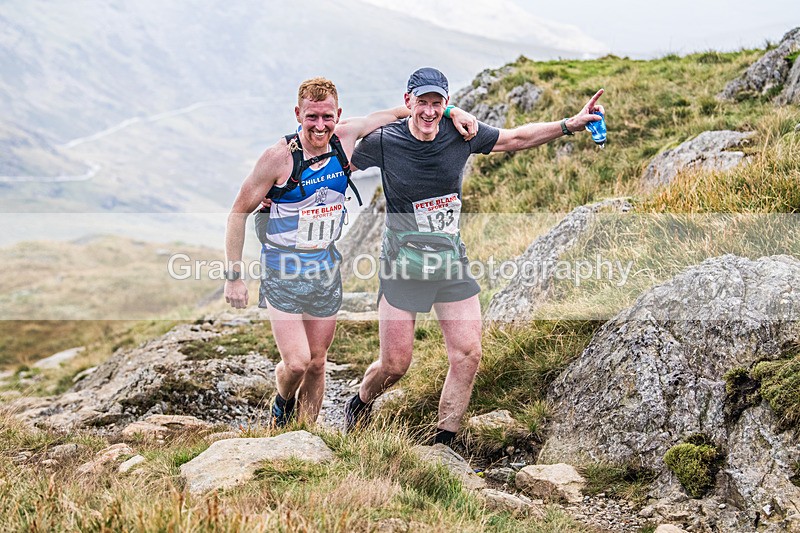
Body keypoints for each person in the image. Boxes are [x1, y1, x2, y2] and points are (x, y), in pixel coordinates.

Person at [345, 67, 605, 445]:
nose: (430, 112)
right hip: (402, 267)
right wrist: (282, 189)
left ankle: (443, 444)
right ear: (408, 103)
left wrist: (570, 124)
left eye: (438, 104)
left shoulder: (461, 134)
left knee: (468, 354)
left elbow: (515, 138)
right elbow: (335, 162)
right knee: (395, 365)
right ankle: (361, 401)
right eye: (422, 103)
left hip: (450, 262)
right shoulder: (384, 141)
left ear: (447, 104)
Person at [223, 77, 478, 427]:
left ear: (338, 115)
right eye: (311, 117)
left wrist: (452, 109)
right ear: (298, 114)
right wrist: (234, 276)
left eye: (327, 117)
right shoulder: (278, 158)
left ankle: (307, 435)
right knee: (296, 362)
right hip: (282, 269)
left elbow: (401, 111)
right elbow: (238, 212)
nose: (319, 125)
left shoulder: (345, 137)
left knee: (317, 362)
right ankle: (282, 402)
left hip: (324, 268)